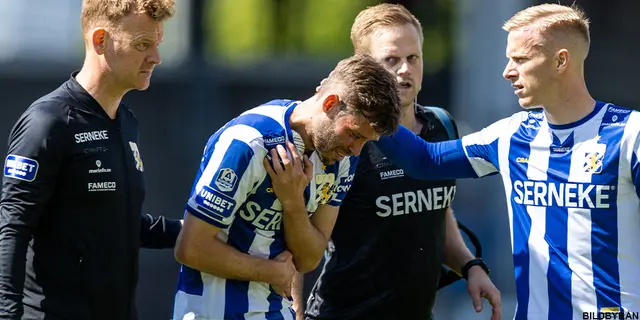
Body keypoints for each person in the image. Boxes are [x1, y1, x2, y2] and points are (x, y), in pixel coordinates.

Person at [374, 3, 640, 319]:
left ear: (560, 61)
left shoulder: (629, 135)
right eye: (508, 59)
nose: (508, 71)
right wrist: (365, 100)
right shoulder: (513, 134)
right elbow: (424, 160)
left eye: (521, 59)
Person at [297, 4, 501, 320]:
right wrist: (293, 311)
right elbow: (298, 241)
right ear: (364, 65)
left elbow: (436, 211)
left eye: (413, 58)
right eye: (391, 60)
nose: (404, 69)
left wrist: (470, 265)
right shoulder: (346, 140)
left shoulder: (442, 125)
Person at [171, 54, 402, 320]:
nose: (355, 150)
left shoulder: (342, 159)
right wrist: (270, 272)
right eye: (354, 134)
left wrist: (293, 202)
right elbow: (191, 247)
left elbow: (309, 259)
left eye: (366, 141)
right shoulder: (248, 142)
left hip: (276, 312)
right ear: (330, 103)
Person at [0, 1, 183, 319]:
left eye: (156, 45)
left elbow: (114, 223)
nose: (156, 58)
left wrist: (193, 229)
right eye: (142, 45)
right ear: (100, 41)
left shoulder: (127, 122)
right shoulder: (49, 122)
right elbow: (13, 229)